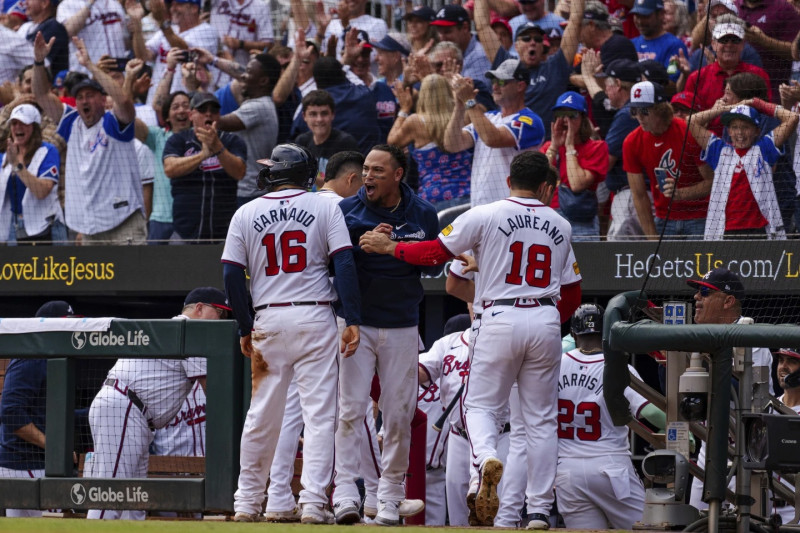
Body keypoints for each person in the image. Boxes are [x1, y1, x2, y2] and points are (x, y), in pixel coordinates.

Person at [358, 150, 583, 529]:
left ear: (509, 181)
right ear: (546, 187)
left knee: (479, 407)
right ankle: (540, 511)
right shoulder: (560, 223)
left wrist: (390, 248)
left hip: (498, 314)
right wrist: (545, 322)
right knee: (542, 421)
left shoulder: (486, 212)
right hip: (544, 316)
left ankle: (485, 461)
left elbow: (433, 253)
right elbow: (574, 295)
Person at [222, 143, 361, 524]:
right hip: (315, 317)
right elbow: (344, 264)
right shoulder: (325, 205)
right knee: (319, 417)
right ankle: (314, 503)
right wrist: (351, 317)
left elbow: (232, 275)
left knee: (261, 417)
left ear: (280, 171)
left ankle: (247, 503)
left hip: (268, 319)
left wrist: (244, 324)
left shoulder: (246, 211)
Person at [332, 144, 437, 527]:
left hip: (403, 324)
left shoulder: (423, 211)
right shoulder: (344, 211)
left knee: (397, 415)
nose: (368, 176)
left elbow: (434, 259)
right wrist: (365, 247)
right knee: (349, 410)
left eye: (378, 170)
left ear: (397, 175)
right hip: (355, 324)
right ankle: (345, 494)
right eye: (365, 169)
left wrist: (393, 248)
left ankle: (390, 497)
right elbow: (332, 263)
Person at [86, 287, 230, 520]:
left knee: (133, 503)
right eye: (219, 313)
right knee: (109, 496)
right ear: (200, 309)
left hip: (131, 413)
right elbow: (211, 387)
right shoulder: (188, 328)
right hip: (123, 408)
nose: (222, 320)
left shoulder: (174, 328)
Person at [32, 35, 148, 244]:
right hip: (90, 229)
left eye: (90, 95)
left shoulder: (114, 122)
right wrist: (39, 62)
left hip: (124, 223)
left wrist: (89, 65)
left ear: (103, 100)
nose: (84, 100)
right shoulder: (71, 122)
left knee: (132, 278)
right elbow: (40, 94)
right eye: (80, 97)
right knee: (95, 279)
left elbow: (122, 99)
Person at [685, 267, 774, 510]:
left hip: (747, 452)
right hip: (710, 448)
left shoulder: (751, 338)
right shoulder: (697, 337)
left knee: (746, 523)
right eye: (697, 292)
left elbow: (745, 391)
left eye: (704, 292)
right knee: (697, 521)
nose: (697, 298)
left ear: (728, 301)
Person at [556, 303, 651, 529]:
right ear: (608, 332)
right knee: (650, 527)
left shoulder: (554, 365)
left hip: (567, 471)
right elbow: (648, 410)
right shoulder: (618, 367)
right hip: (611, 466)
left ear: (573, 333)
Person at [0, 301, 79, 518]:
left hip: (33, 465)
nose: (71, 330)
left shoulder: (52, 357)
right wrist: (56, 448)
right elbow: (11, 413)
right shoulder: (31, 358)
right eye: (65, 324)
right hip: (24, 465)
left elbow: (49, 413)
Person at [685, 99, 797, 239]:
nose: (740, 133)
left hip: (760, 231)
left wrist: (758, 104)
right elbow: (691, 120)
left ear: (757, 131)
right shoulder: (719, 151)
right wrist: (725, 108)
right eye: (735, 127)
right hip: (724, 232)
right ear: (729, 131)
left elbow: (793, 118)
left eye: (745, 127)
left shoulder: (764, 148)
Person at [443, 59, 546, 208]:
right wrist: (460, 105)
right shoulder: (489, 118)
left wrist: (469, 101)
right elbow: (452, 144)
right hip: (480, 209)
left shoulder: (531, 121)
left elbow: (493, 139)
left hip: (512, 212)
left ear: (520, 86)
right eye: (493, 81)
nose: (495, 86)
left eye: (502, 82)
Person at [623, 81, 711, 239]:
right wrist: (652, 237)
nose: (639, 117)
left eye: (644, 110)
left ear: (660, 109)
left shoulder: (688, 132)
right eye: (634, 111)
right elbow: (639, 195)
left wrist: (680, 193)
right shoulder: (631, 142)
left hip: (700, 217)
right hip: (664, 218)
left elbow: (712, 182)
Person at [197, 51, 281, 206]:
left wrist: (197, 90)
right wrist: (212, 60)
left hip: (251, 193)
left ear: (263, 81)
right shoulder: (261, 103)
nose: (242, 76)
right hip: (254, 190)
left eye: (248, 72)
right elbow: (244, 74)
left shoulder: (259, 107)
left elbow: (215, 122)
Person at [162, 91, 247, 243]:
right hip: (184, 234)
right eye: (202, 110)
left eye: (214, 110)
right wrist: (203, 155)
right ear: (191, 115)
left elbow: (239, 172)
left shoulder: (232, 140)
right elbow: (170, 169)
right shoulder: (179, 140)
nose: (208, 114)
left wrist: (218, 148)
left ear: (219, 115)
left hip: (224, 234)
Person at [388, 74, 473, 210]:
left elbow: (392, 142)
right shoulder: (464, 115)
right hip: (468, 197)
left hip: (432, 201)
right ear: (448, 92)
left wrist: (404, 110)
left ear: (423, 95)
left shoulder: (415, 121)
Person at [542, 91, 609, 241]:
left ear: (583, 119)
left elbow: (577, 184)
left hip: (581, 220)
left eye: (571, 114)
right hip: (550, 218)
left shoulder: (597, 147)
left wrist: (569, 145)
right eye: (560, 113)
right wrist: (553, 146)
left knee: (584, 264)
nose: (565, 119)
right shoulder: (549, 147)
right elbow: (538, 180)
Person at [683, 16, 771, 128]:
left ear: (743, 44)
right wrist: (713, 112)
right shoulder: (696, 78)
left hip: (750, 141)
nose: (729, 45)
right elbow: (688, 123)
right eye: (723, 40)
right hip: (708, 142)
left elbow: (767, 116)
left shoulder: (758, 75)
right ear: (713, 44)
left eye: (735, 40)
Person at [126, 0, 219, 104]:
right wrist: (137, 25)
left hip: (187, 103)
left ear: (194, 8)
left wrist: (162, 22)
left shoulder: (207, 31)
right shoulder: (169, 30)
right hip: (157, 101)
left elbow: (185, 51)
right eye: (172, 4)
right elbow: (143, 56)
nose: (173, 9)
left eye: (179, 4)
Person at [0, 103, 66, 244]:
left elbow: (42, 191)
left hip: (46, 227)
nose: (18, 127)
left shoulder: (48, 151)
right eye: (14, 123)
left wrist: (18, 166)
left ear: (34, 127)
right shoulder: (5, 156)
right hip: (15, 226)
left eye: (24, 123)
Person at [294, 89, 360, 187]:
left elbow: (350, 184)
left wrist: (310, 177)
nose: (319, 119)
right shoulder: (301, 141)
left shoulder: (345, 143)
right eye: (313, 114)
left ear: (333, 114)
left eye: (324, 113)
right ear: (304, 116)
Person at [56, 0, 127, 74]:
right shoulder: (67, 4)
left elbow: (126, 42)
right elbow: (67, 31)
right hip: (86, 75)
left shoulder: (114, 4)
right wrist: (90, 4)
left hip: (119, 74)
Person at [772, 347, 800, 526]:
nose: (783, 366)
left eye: (791, 361)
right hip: (767, 509)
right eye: (781, 360)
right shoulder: (767, 406)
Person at [629, 0, 688, 84]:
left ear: (661, 14)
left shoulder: (674, 46)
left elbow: (673, 85)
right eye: (637, 16)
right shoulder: (631, 44)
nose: (640, 21)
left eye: (645, 16)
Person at [430, 4, 492, 84]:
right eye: (439, 32)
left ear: (465, 27)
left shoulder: (480, 56)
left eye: (447, 31)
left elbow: (475, 94)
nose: (442, 38)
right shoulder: (443, 52)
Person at [210, 0, 273, 67]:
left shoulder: (261, 6)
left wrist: (241, 44)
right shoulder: (216, 2)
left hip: (243, 69)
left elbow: (268, 45)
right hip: (213, 66)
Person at [23, 0, 68, 74]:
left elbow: (44, 63)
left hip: (52, 83)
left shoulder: (53, 27)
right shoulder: (32, 27)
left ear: (44, 3)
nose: (26, 2)